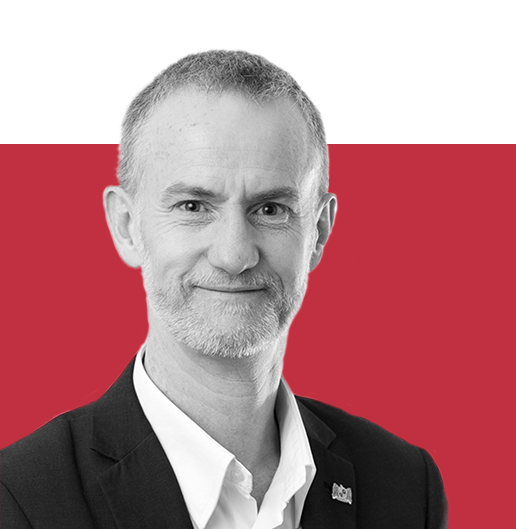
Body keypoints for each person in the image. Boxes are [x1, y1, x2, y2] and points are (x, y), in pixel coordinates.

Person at [0, 50, 447, 529]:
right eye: (193, 206)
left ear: (318, 232)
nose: (234, 255)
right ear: (127, 225)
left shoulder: (403, 485)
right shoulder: (20, 499)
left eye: (270, 209)